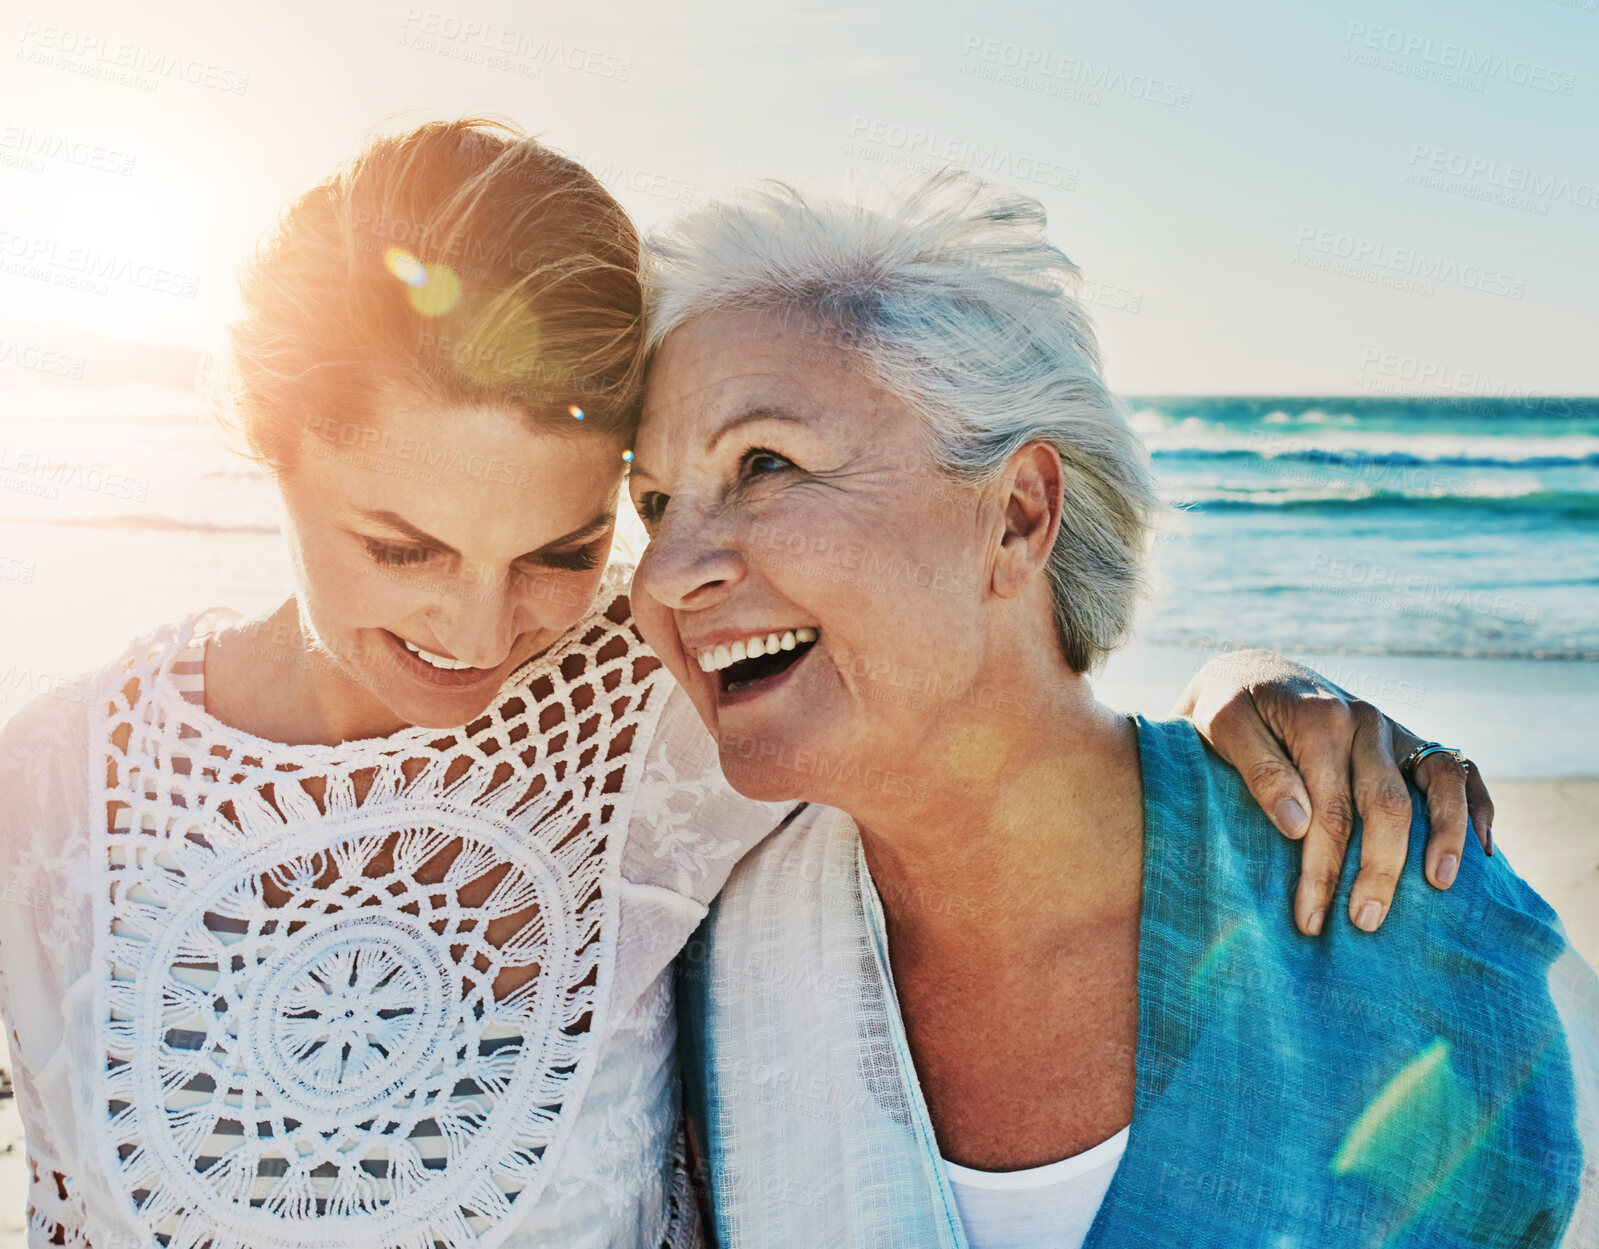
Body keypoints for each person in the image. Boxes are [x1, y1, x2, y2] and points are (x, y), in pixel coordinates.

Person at [0, 121, 1497, 1249]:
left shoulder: (660, 713)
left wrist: (1252, 690)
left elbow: (974, 692)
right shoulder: (49, 788)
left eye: (564, 544)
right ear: (264, 444)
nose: (479, 625)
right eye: (398, 546)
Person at [630, 170, 1599, 1247]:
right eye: (654, 503)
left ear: (1018, 514)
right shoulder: (693, 949)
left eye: (766, 463)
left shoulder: (1390, 897)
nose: (668, 570)